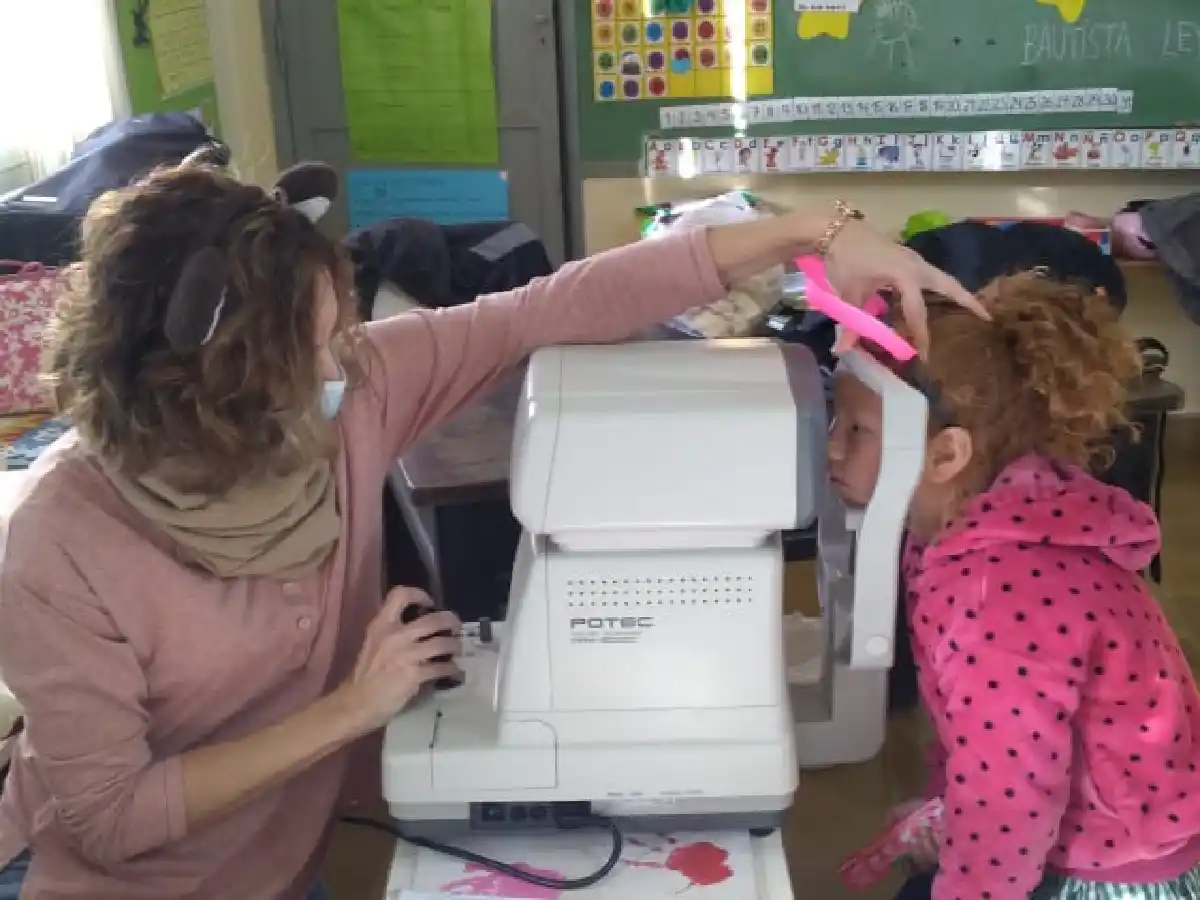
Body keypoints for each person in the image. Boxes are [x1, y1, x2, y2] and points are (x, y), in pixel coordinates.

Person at [0, 158, 979, 900]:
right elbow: (116, 816)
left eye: (340, 330)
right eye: (311, 355)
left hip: (288, 862)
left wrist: (809, 233)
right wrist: (353, 707)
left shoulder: (352, 397)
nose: (345, 366)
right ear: (205, 391)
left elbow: (550, 308)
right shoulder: (61, 540)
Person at [827, 272, 1200, 900]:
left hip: (1111, 869)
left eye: (857, 430)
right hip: (1062, 830)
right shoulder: (969, 526)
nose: (832, 447)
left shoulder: (995, 591)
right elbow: (983, 730)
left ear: (946, 455)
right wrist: (948, 803)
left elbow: (1012, 797)